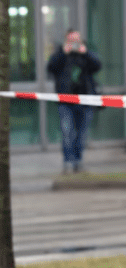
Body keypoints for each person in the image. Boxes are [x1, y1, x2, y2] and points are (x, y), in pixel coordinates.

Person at [46, 29, 102, 174]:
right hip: (66, 102)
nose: (74, 43)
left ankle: (78, 160)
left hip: (86, 101)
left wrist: (86, 53)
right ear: (66, 40)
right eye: (71, 40)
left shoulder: (86, 53)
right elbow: (51, 68)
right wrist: (63, 53)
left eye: (77, 40)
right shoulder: (60, 54)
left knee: (82, 134)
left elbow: (97, 66)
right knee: (67, 132)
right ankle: (68, 161)